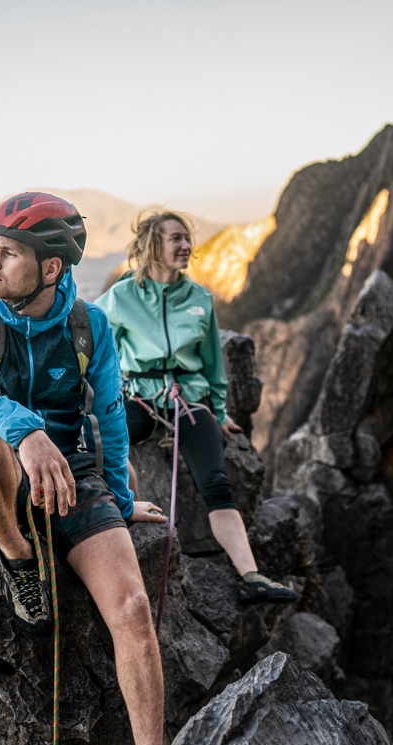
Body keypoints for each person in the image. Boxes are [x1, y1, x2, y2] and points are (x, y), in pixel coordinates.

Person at [0, 192, 166, 745]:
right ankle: (17, 556)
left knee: (133, 610)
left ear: (51, 268)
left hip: (73, 477)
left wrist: (122, 501)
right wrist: (25, 430)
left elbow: (108, 414)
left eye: (7, 253)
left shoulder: (89, 327)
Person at [96, 211, 297, 606]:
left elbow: (213, 366)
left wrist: (218, 414)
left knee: (217, 483)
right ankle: (113, 531)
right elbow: (93, 338)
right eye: (176, 239)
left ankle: (252, 576)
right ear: (153, 245)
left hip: (187, 400)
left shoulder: (199, 299)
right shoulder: (121, 297)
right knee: (104, 445)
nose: (186, 245)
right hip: (139, 394)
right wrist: (110, 392)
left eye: (187, 239)